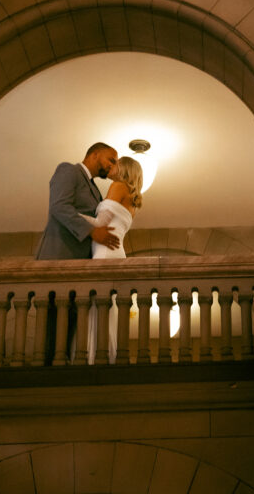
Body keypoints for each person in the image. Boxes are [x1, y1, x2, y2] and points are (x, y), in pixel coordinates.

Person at [85, 156, 144, 364]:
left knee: (98, 306)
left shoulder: (119, 186)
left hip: (105, 252)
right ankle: (108, 357)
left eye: (116, 163)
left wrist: (71, 216)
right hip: (115, 251)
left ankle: (96, 358)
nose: (111, 165)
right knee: (107, 309)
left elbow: (101, 222)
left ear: (124, 170)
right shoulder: (131, 197)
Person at [36, 142, 121, 260]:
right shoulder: (69, 170)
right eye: (111, 160)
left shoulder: (95, 190)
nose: (112, 166)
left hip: (81, 261)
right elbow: (59, 206)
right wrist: (91, 231)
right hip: (58, 256)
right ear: (95, 154)